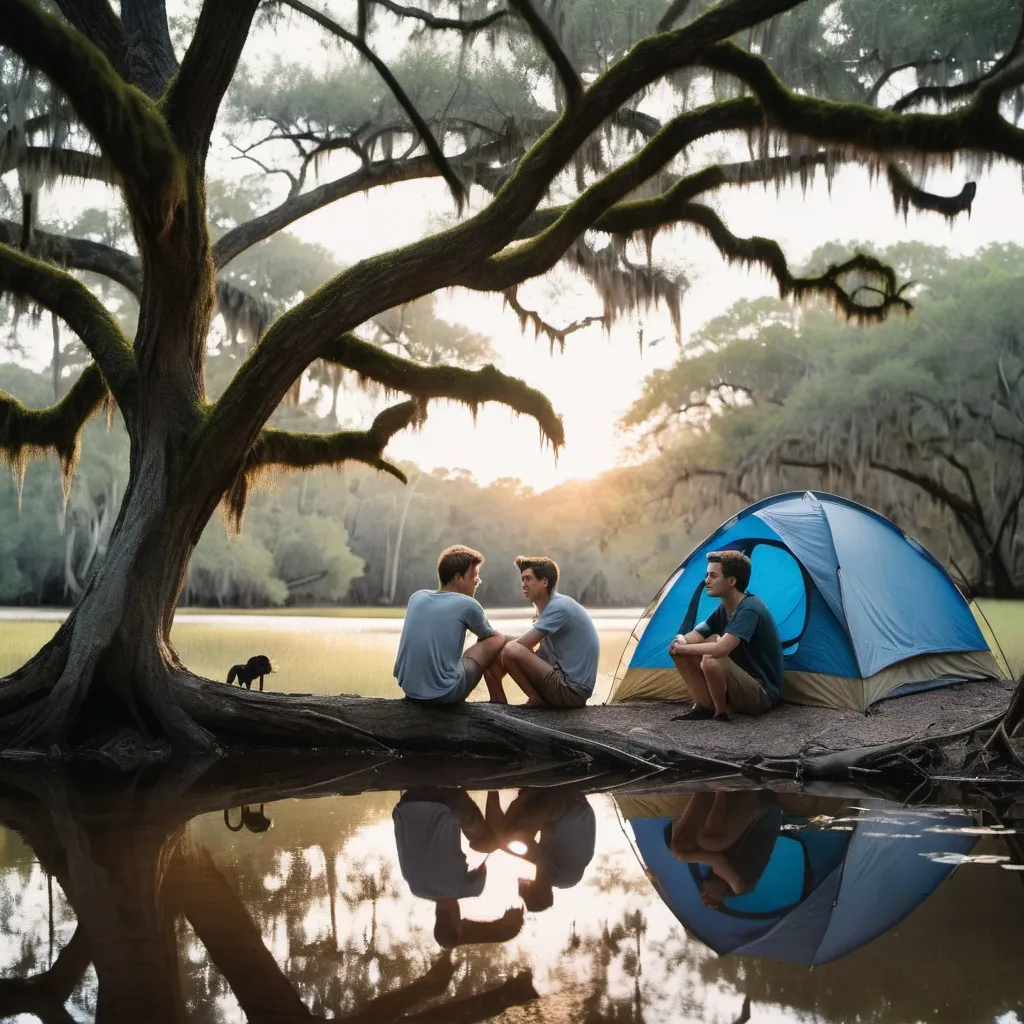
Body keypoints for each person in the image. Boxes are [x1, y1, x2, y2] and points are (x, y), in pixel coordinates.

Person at [392, 788, 524, 948]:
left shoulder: (471, 889)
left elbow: (483, 858)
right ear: (436, 917)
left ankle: (493, 789)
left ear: (457, 921)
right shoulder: (416, 889)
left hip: (446, 800)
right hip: (407, 802)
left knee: (489, 842)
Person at [668, 550, 783, 721]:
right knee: (681, 652)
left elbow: (723, 648)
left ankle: (720, 712)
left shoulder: (750, 608)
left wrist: (684, 647)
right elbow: (695, 636)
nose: (707, 580)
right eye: (707, 575)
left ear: (731, 581)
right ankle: (705, 707)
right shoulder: (724, 608)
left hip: (760, 693)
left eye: (713, 576)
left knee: (713, 654)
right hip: (737, 687)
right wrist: (680, 641)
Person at [393, 545, 506, 704]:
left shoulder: (417, 597)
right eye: (474, 577)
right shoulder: (468, 604)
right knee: (496, 639)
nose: (477, 582)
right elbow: (493, 638)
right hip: (445, 693)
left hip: (409, 689)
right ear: (459, 578)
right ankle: (498, 699)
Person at [494, 555, 600, 708]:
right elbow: (530, 648)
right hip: (562, 681)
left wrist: (498, 646)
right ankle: (497, 700)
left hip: (572, 690)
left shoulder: (559, 607)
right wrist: (496, 641)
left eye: (529, 579)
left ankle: (534, 698)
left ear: (544, 582)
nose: (523, 584)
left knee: (510, 648)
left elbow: (520, 647)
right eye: (522, 579)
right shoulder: (545, 609)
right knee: (499, 642)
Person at [665, 789, 783, 909]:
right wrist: (683, 857)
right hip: (764, 807)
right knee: (711, 841)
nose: (703, 892)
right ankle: (719, 790)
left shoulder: (714, 875)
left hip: (745, 811)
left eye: (702, 894)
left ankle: (707, 787)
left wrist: (682, 850)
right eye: (708, 897)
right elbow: (716, 860)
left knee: (681, 844)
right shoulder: (739, 886)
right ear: (720, 897)